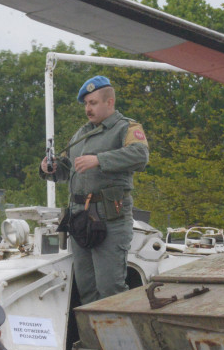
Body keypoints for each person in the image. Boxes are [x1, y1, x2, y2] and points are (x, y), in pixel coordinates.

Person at [40, 75, 149, 304]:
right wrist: (50, 168)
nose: (88, 109)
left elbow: (140, 155)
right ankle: (92, 339)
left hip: (110, 217)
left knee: (111, 288)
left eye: (93, 103)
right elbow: (67, 168)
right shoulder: (81, 134)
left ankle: (118, 339)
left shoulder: (126, 128)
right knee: (86, 288)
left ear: (109, 102)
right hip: (80, 218)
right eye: (86, 104)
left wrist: (99, 159)